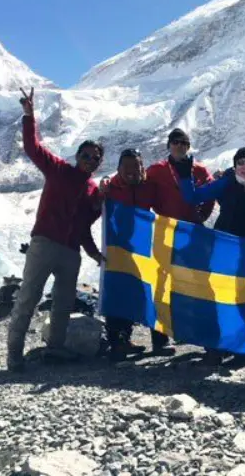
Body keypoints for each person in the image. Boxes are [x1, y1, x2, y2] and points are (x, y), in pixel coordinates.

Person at [7, 87, 104, 373]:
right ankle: (14, 355)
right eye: (86, 155)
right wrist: (29, 116)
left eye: (95, 158)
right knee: (28, 297)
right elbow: (32, 147)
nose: (90, 160)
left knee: (63, 302)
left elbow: (85, 228)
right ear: (77, 156)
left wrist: (95, 254)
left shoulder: (92, 190)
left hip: (70, 252)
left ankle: (55, 349)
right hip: (44, 244)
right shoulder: (58, 169)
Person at [176, 146, 245, 364]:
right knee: (219, 295)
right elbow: (192, 197)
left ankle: (244, 345)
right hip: (224, 247)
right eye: (241, 163)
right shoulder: (225, 183)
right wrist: (185, 176)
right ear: (235, 165)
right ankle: (216, 345)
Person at [97, 148, 177, 359]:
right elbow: (94, 208)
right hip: (119, 248)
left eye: (137, 166)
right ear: (118, 169)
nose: (132, 171)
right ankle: (119, 342)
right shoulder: (110, 188)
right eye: (127, 167)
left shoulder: (149, 186)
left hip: (145, 247)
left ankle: (160, 341)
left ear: (143, 167)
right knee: (120, 290)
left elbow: (162, 210)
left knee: (154, 290)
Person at [144, 128, 214, 353]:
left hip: (192, 233)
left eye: (184, 142)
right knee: (162, 284)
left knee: (196, 282)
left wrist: (202, 215)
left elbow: (210, 194)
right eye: (175, 142)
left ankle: (199, 333)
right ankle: (160, 337)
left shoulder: (200, 169)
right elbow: (142, 188)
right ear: (168, 145)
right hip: (165, 231)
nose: (180, 146)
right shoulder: (156, 170)